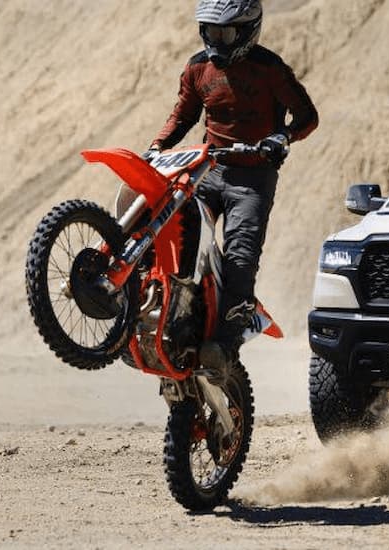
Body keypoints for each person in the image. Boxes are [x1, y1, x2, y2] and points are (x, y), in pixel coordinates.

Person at [148, 0, 318, 369]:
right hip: (206, 172)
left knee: (240, 259)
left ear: (247, 30)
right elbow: (183, 114)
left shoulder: (270, 69)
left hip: (253, 180)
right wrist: (158, 146)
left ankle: (224, 348)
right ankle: (176, 317)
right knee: (179, 238)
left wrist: (283, 138)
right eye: (209, 31)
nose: (215, 41)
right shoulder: (197, 67)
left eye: (224, 33)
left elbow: (308, 116)